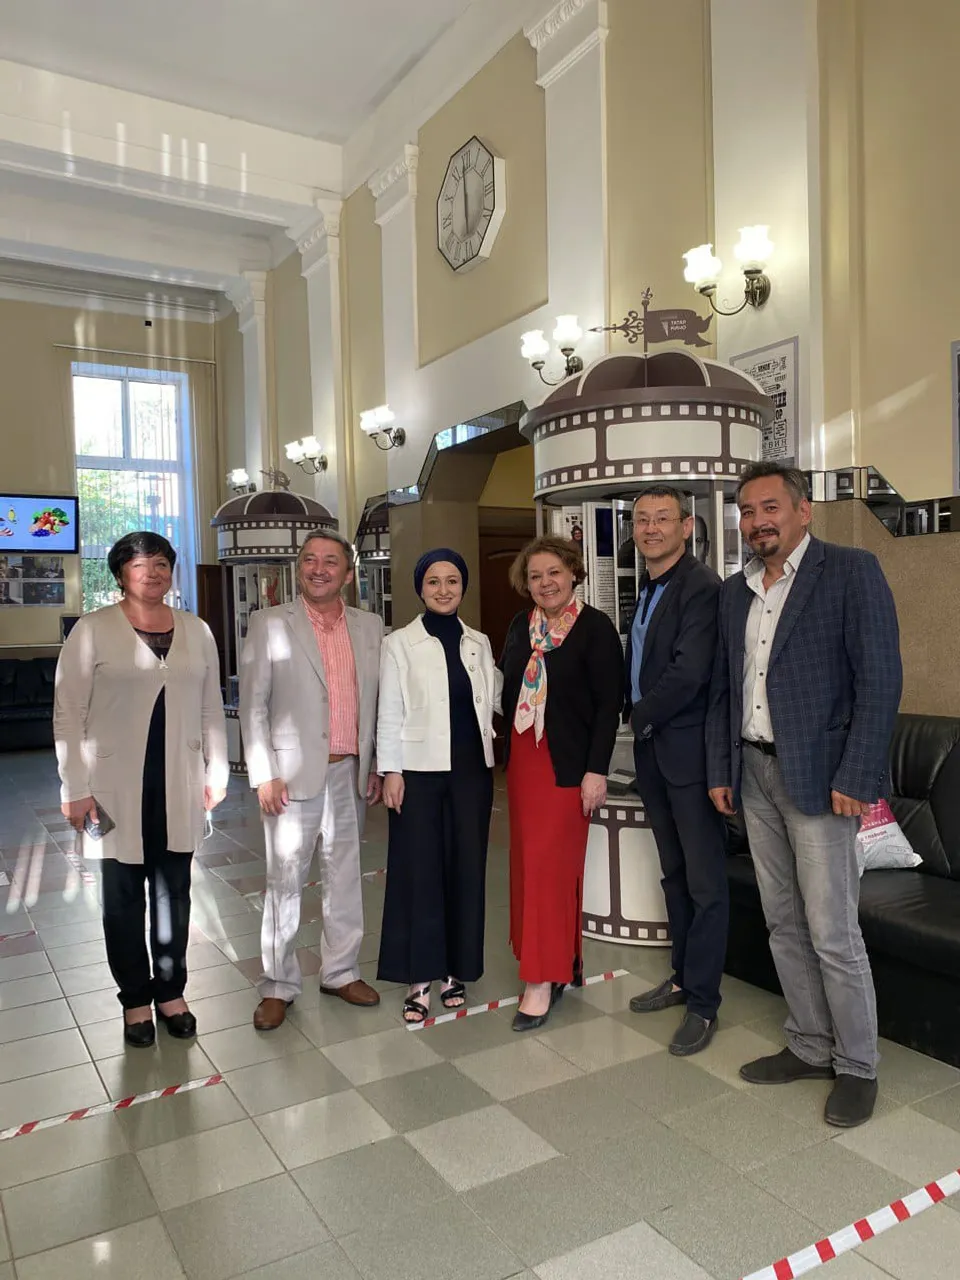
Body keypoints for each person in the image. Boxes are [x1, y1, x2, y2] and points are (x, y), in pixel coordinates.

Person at [706, 462, 902, 1128]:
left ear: (802, 510)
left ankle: (858, 1064)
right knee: (782, 920)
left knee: (832, 931)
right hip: (754, 772)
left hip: (822, 777)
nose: (757, 521)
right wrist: (723, 768)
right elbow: (728, 689)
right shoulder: (735, 592)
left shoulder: (850, 572)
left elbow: (880, 680)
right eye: (747, 511)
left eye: (770, 507)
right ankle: (811, 1044)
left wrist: (858, 776)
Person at [54, 531, 228, 1047]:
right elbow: (68, 713)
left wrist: (216, 771)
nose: (152, 573)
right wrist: (73, 785)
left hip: (180, 782)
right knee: (122, 896)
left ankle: (171, 993)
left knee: (175, 893)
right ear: (119, 574)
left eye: (161, 564)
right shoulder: (92, 630)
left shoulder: (197, 630)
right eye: (139, 564)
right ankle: (134, 999)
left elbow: (210, 706)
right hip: (111, 788)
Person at [240, 529, 384, 1031]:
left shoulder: (369, 626)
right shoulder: (269, 623)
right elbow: (253, 705)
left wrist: (375, 764)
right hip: (289, 777)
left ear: (348, 573)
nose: (319, 569)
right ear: (298, 567)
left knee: (345, 876)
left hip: (349, 771)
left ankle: (340, 971)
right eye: (309, 560)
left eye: (330, 561)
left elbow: (376, 702)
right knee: (285, 880)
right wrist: (264, 773)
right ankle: (277, 985)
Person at [500, 535, 624, 1031]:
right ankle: (563, 961)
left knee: (549, 870)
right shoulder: (520, 626)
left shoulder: (595, 628)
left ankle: (539, 978)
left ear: (574, 572)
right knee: (530, 867)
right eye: (535, 576)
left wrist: (597, 770)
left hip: (568, 767)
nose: (545, 583)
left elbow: (609, 706)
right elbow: (505, 689)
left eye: (554, 572)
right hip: (523, 762)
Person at [376, 549, 500, 1022]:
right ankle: (420, 977)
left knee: (466, 870)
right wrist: (391, 770)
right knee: (421, 872)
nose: (443, 590)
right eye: (433, 581)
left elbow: (494, 696)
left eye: (452, 581)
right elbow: (389, 710)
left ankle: (454, 970)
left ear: (463, 587)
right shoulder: (399, 644)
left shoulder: (478, 642)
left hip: (472, 773)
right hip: (418, 772)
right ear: (420, 588)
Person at [625, 487, 727, 1056]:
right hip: (654, 755)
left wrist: (637, 716)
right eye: (642, 520)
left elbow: (690, 673)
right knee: (674, 875)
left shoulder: (701, 586)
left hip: (690, 758)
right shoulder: (648, 587)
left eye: (663, 519)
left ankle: (704, 1004)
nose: (651, 528)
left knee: (705, 884)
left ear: (687, 527)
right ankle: (684, 976)